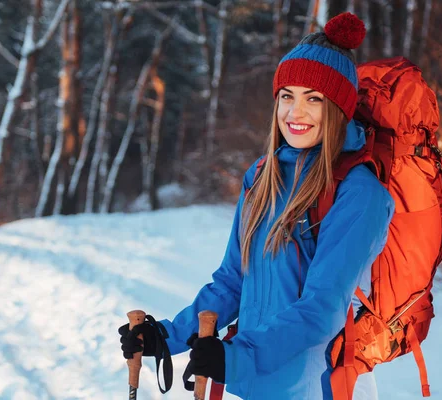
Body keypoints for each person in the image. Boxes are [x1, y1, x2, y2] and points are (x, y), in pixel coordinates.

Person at [118, 12, 394, 400]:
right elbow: (233, 281)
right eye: (287, 96)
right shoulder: (263, 176)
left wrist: (236, 358)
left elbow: (322, 309)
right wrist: (166, 336)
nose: (295, 113)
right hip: (254, 382)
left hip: (320, 387)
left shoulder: (358, 192)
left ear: (339, 108)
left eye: (313, 99)